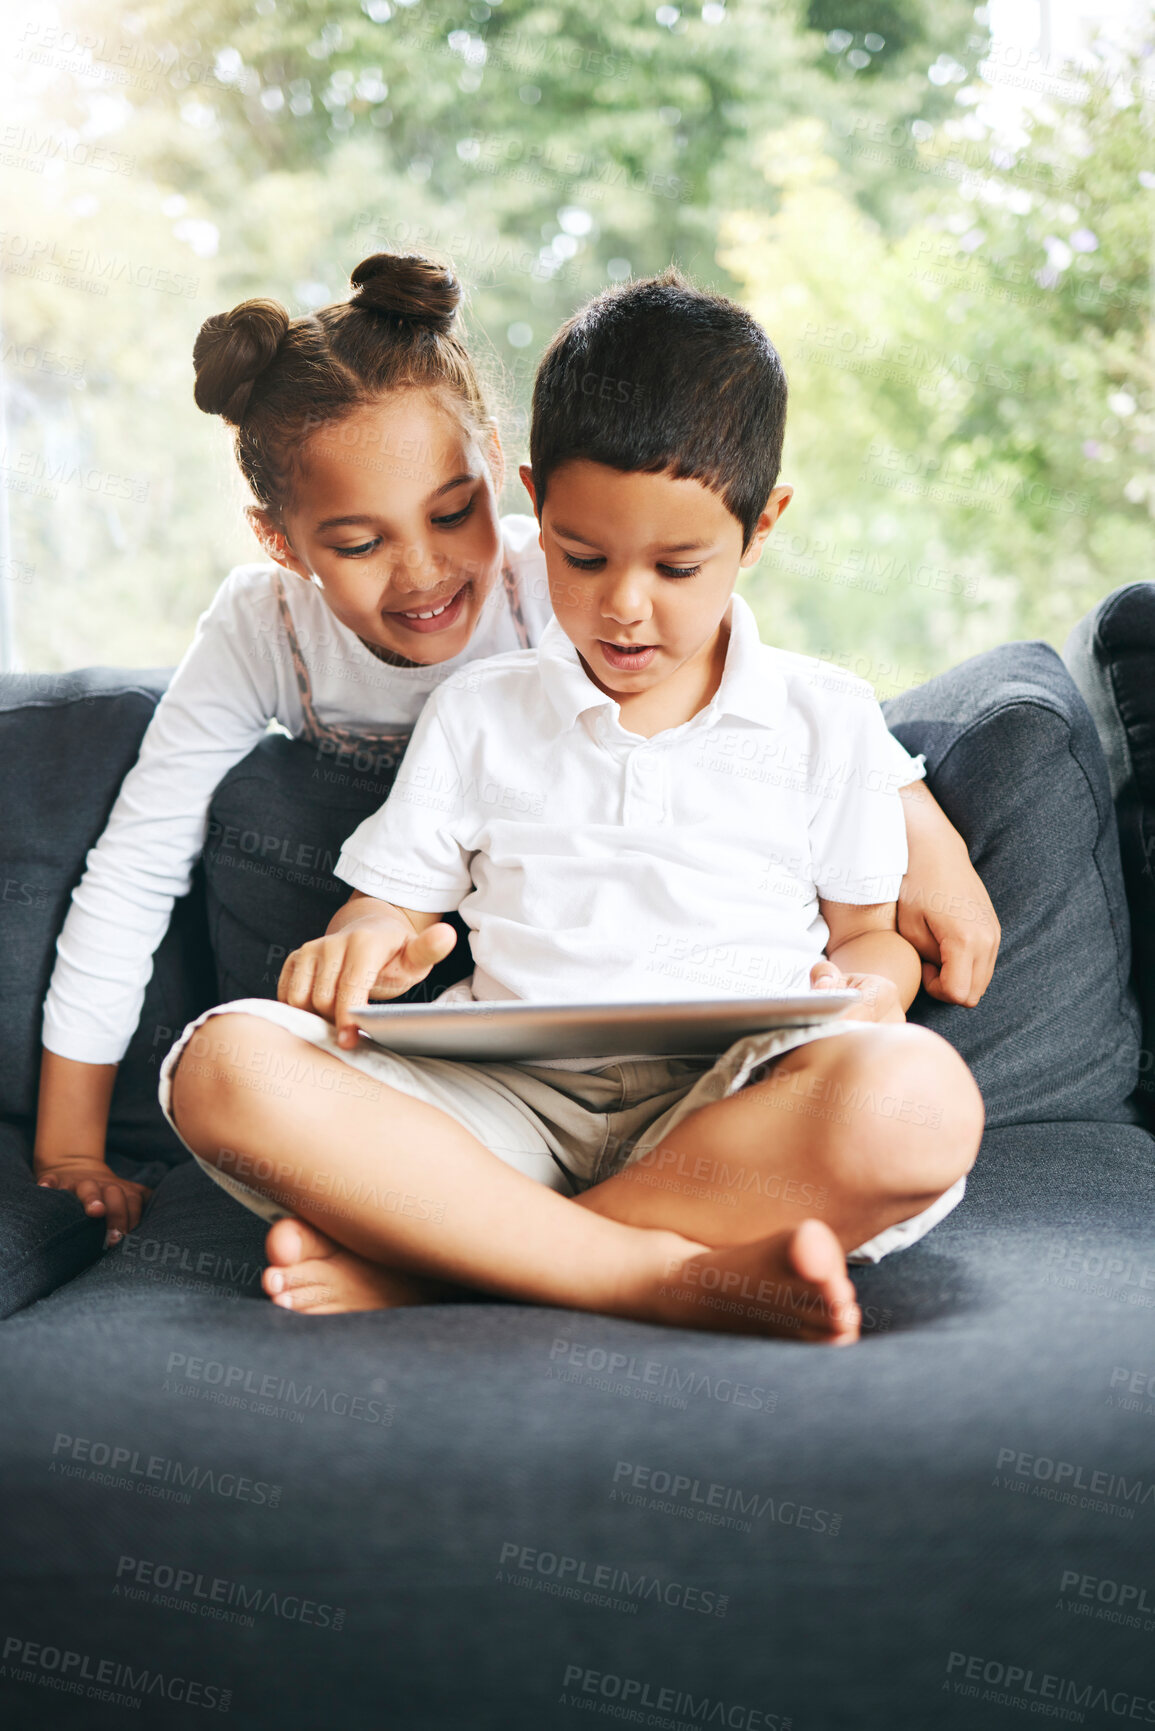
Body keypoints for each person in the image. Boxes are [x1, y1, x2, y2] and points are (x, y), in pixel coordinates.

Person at [161, 270, 987, 1344]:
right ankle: (638, 1271)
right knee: (227, 1066)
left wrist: (867, 996)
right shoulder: (481, 710)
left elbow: (878, 947)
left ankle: (459, 1264)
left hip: (730, 1110)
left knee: (921, 1102)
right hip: (506, 1105)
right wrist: (364, 946)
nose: (625, 607)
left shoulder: (826, 720)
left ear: (762, 525)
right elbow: (382, 910)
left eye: (679, 566)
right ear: (532, 501)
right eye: (582, 557)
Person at [33, 252, 552, 1242]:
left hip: (547, 989)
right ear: (280, 541)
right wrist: (69, 1153)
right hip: (367, 1023)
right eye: (359, 545)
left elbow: (745, 691)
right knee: (238, 1077)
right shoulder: (261, 627)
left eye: (454, 511)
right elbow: (136, 867)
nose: (424, 571)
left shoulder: (557, 587)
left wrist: (907, 824)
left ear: (492, 455)